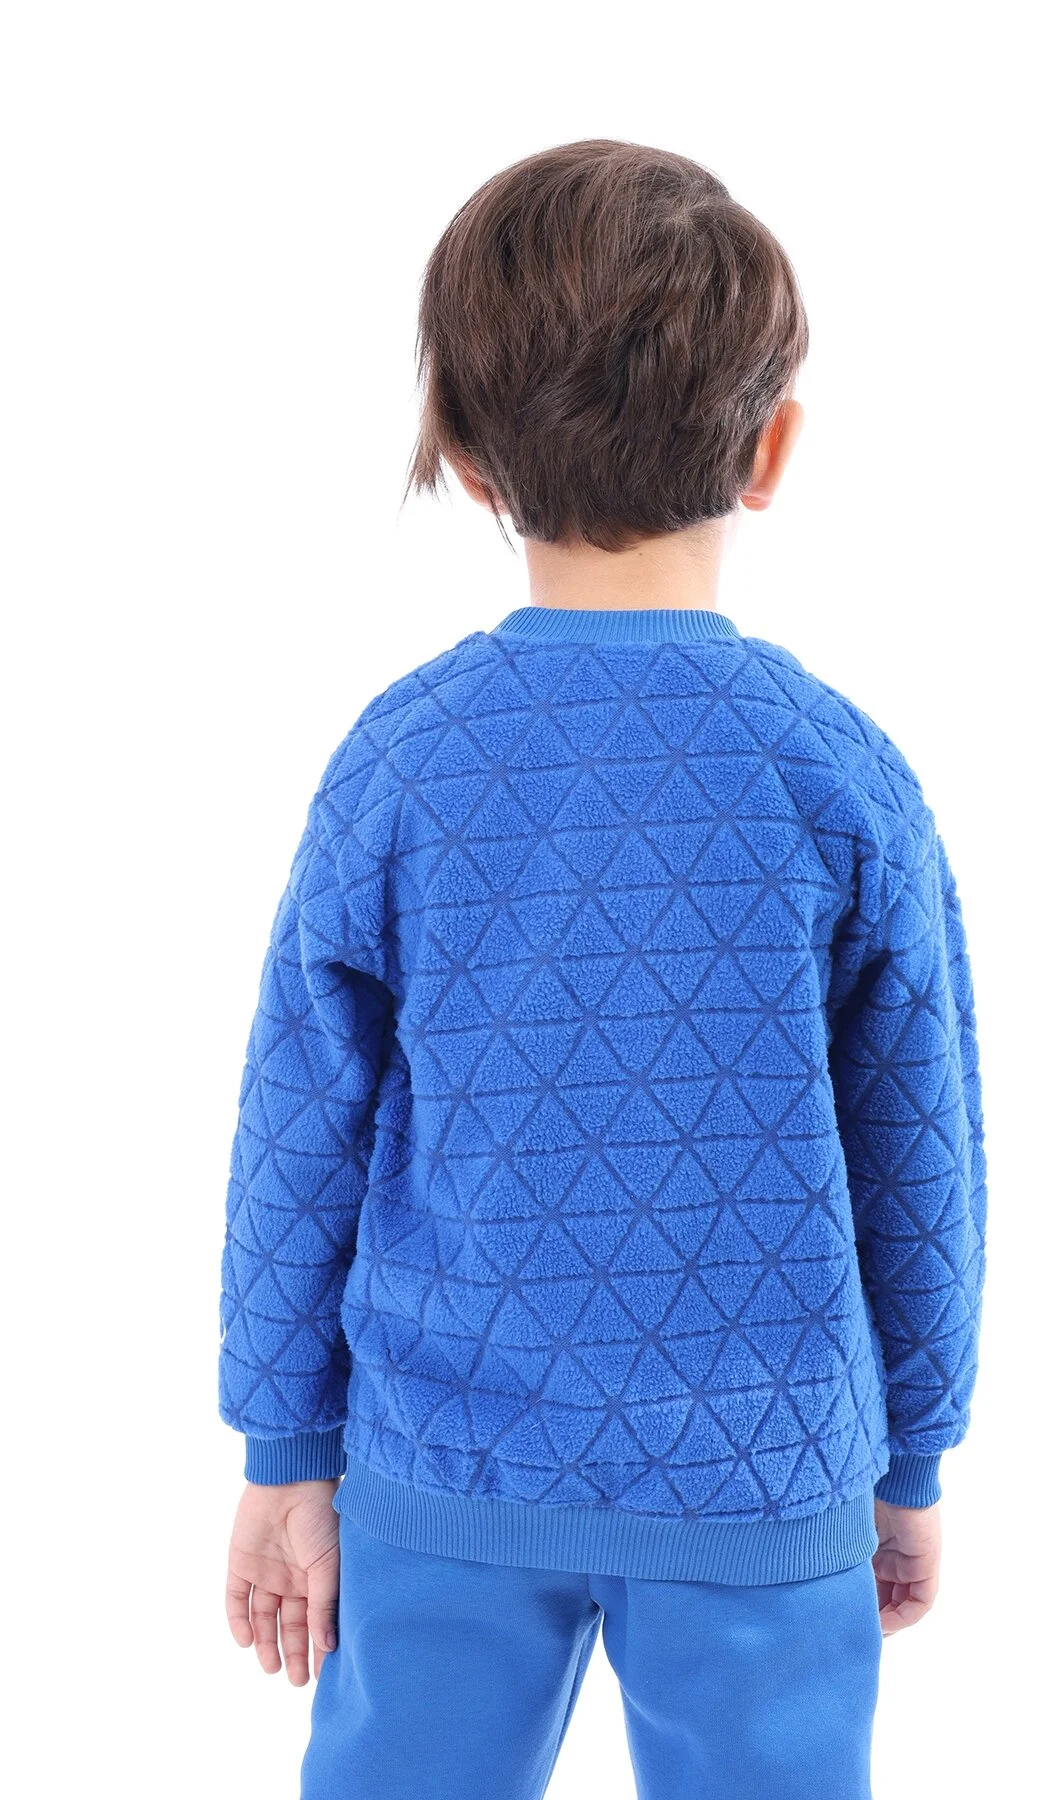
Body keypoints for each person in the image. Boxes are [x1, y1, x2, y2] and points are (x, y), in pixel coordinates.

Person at [219, 138, 987, 1800]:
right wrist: (912, 1454)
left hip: (440, 1462)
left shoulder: (400, 761)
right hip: (763, 1478)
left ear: (465, 457)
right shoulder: (838, 771)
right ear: (771, 449)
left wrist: (286, 1450)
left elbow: (299, 1129)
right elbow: (919, 1150)